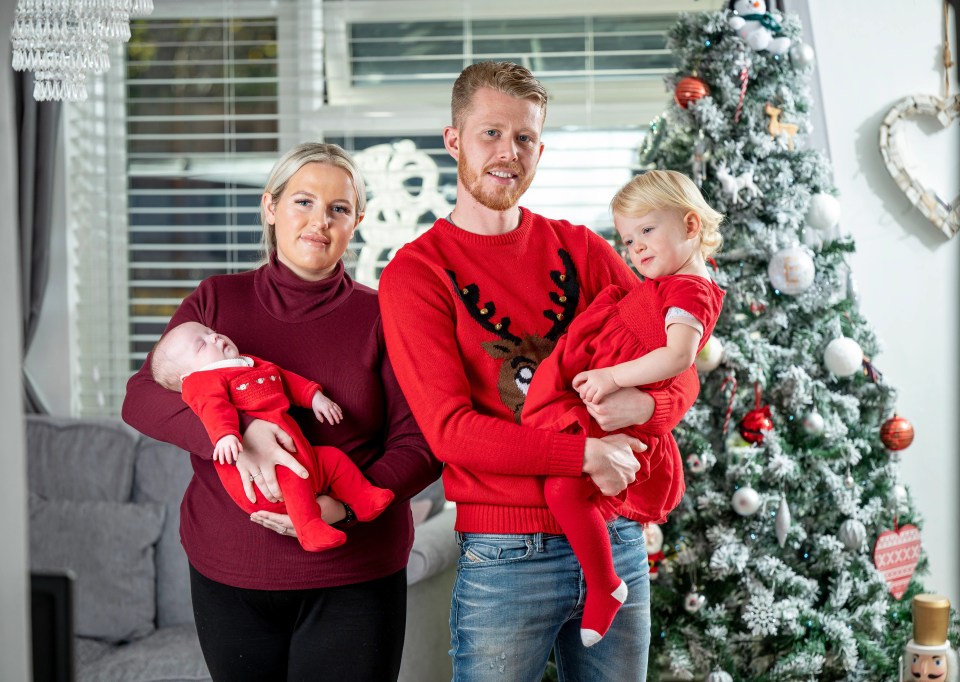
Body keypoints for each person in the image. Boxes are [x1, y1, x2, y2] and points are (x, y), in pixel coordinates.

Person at [377, 61, 701, 681]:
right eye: (491, 134)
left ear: (541, 148)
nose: (509, 153)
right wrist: (581, 457)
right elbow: (450, 429)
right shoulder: (417, 273)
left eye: (524, 137)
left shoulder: (583, 248)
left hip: (617, 539)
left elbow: (680, 363)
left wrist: (648, 409)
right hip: (505, 557)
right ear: (453, 140)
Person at [122, 142, 439, 682]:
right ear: (270, 207)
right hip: (230, 574)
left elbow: (421, 445)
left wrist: (339, 508)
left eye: (339, 208)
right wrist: (244, 429)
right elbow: (142, 396)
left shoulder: (383, 315)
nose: (320, 221)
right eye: (303, 201)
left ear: (357, 221)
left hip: (354, 572)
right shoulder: (215, 303)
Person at [521, 169, 725, 646]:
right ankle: (604, 583)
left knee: (563, 492)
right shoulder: (662, 284)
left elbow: (679, 358)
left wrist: (613, 377)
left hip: (624, 413)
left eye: (647, 232)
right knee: (563, 488)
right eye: (628, 240)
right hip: (606, 404)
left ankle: (605, 585)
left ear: (691, 225)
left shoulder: (690, 291)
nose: (635, 250)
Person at [150, 320, 395, 552]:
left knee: (333, 459)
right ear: (186, 376)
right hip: (265, 480)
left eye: (210, 331)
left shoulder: (248, 363)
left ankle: (364, 499)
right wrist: (226, 434)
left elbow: (284, 378)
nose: (214, 337)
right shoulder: (202, 381)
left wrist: (313, 397)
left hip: (302, 456)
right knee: (290, 473)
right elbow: (212, 407)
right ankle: (309, 528)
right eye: (202, 344)